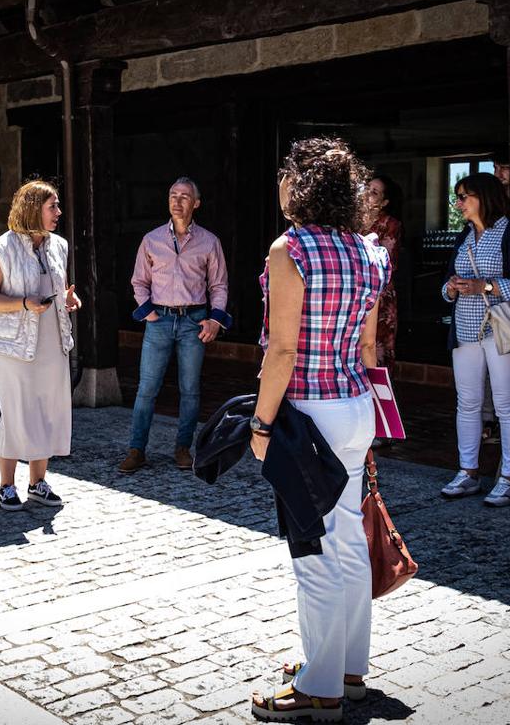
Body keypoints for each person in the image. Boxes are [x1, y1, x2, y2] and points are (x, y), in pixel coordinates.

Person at [248, 138, 389, 721]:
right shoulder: (369, 251)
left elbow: (281, 350)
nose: (278, 185)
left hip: (308, 413)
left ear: (300, 185)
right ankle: (349, 668)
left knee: (313, 548)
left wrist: (259, 422)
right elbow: (367, 345)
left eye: (284, 175)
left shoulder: (290, 250)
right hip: (356, 404)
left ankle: (320, 686)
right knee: (348, 539)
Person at [439, 172, 510, 507]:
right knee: (467, 403)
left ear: (485, 197)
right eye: (458, 196)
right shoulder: (463, 237)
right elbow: (445, 284)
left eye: (464, 196)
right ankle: (467, 472)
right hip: (466, 331)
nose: (459, 203)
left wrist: (486, 286)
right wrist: (451, 288)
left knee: (506, 404)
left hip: (501, 329)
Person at [0, 179, 81, 511]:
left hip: (52, 339)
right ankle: (6, 486)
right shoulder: (2, 249)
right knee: (16, 412)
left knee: (47, 410)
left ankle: (38, 482)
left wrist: (68, 298)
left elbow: (60, 285)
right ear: (32, 208)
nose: (59, 213)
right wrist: (24, 303)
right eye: (52, 206)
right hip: (14, 344)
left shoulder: (59, 246)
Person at [119, 177, 232, 474]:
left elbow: (219, 285)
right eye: (172, 195)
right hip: (159, 320)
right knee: (147, 388)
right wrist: (148, 314)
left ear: (196, 203)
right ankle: (137, 449)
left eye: (184, 197)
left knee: (190, 389)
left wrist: (215, 319)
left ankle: (183, 448)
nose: (177, 201)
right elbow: (139, 281)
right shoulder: (151, 239)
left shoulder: (209, 242)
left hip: (194, 322)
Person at [361, 174, 402, 372]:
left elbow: (387, 263)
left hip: (379, 293)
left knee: (376, 347)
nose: (367, 194)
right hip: (353, 293)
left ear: (384, 202)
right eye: (367, 188)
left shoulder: (390, 224)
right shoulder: (351, 221)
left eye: (374, 192)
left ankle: (379, 397)